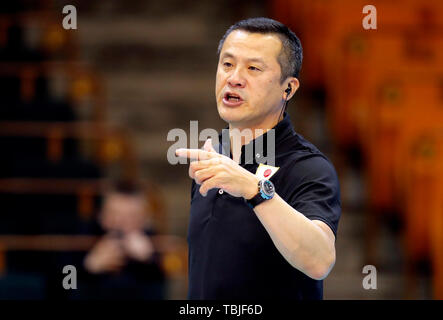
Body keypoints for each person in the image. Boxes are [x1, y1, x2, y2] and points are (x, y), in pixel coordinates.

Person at [176, 17, 341, 299]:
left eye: (253, 68)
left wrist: (255, 190)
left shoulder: (308, 167)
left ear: (288, 88)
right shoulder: (214, 154)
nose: (234, 78)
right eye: (227, 64)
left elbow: (319, 261)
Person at [79, 180, 165, 299]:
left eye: (131, 217)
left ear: (145, 220)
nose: (120, 223)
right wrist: (89, 268)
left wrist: (147, 262)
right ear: (100, 215)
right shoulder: (82, 239)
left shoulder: (155, 244)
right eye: (114, 214)